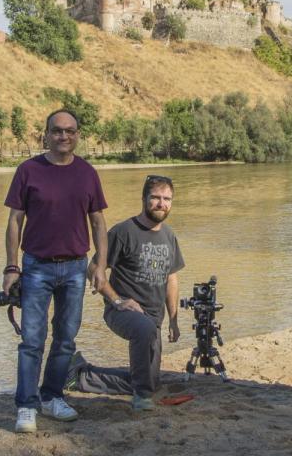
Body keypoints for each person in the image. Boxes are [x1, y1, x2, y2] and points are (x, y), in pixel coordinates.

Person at [2, 109, 108, 433]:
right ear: (46, 134)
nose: (64, 136)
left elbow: (99, 222)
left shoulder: (88, 173)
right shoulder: (28, 170)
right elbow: (14, 222)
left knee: (65, 339)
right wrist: (11, 267)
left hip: (76, 268)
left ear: (78, 135)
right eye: (58, 131)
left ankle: (51, 397)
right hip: (36, 267)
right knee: (32, 340)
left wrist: (101, 265)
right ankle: (26, 406)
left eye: (70, 131)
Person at [67, 175, 184, 411]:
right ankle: (141, 398)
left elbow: (172, 279)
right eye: (156, 198)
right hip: (121, 312)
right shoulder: (123, 232)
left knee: (151, 381)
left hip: (154, 319)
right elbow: (93, 269)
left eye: (167, 199)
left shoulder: (169, 236)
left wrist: (173, 319)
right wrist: (117, 300)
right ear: (144, 199)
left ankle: (81, 375)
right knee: (145, 382)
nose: (162, 204)